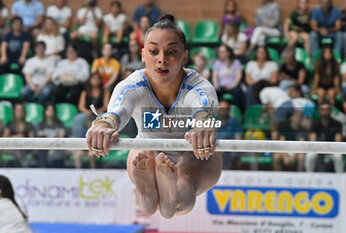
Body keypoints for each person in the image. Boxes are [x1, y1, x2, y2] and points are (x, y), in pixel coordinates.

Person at [86, 14, 221, 219]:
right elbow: (118, 109)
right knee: (143, 156)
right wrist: (105, 123)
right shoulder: (133, 84)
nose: (162, 59)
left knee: (186, 178)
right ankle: (148, 193)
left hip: (192, 152)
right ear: (143, 54)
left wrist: (203, 123)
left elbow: (202, 105)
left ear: (185, 56)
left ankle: (169, 196)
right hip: (148, 149)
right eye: (153, 51)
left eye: (171, 52)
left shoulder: (198, 85)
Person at [73, 72, 110, 169]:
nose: (95, 81)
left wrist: (97, 111)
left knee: (104, 117)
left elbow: (106, 106)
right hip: (88, 113)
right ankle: (77, 141)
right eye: (93, 78)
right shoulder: (85, 92)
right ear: (90, 80)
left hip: (99, 113)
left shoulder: (104, 91)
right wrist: (88, 111)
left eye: (97, 78)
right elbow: (81, 106)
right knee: (78, 118)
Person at [305, 100, 343, 173]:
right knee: (310, 156)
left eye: (327, 109)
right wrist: (319, 150)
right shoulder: (315, 123)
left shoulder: (337, 124)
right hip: (318, 149)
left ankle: (340, 177)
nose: (325, 112)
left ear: (331, 110)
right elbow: (312, 141)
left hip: (332, 150)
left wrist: (329, 150)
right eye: (323, 109)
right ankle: (309, 176)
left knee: (338, 157)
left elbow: (338, 141)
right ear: (319, 111)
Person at [3, 102, 35, 167]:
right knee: (17, 149)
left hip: (25, 147)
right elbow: (4, 139)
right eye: (18, 110)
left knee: (20, 149)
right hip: (11, 147)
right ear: (14, 112)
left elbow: (32, 139)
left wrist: (24, 140)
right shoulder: (10, 124)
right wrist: (15, 137)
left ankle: (22, 167)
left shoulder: (28, 124)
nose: (19, 112)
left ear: (24, 112)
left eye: (21, 110)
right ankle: (24, 167)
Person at [212, 45, 243, 109]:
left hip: (233, 85)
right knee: (213, 92)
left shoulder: (236, 62)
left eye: (222, 52)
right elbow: (214, 76)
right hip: (221, 86)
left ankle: (239, 112)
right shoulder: (217, 63)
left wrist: (233, 85)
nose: (220, 53)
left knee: (238, 92)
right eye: (219, 51)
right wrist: (216, 84)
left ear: (228, 53)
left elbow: (238, 75)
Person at [36, 103, 67, 168]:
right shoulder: (41, 124)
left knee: (55, 152)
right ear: (45, 112)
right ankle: (43, 169)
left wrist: (53, 146)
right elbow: (40, 136)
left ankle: (56, 170)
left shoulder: (59, 123)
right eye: (48, 110)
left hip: (57, 145)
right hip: (45, 146)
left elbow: (62, 136)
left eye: (52, 110)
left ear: (54, 112)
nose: (50, 112)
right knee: (41, 151)